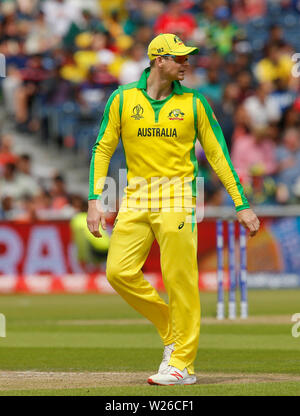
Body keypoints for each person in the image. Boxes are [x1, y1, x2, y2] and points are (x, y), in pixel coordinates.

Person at [87, 33, 260, 386]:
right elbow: (102, 149)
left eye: (187, 58)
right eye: (179, 58)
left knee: (179, 279)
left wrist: (240, 203)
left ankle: (182, 364)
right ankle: (171, 329)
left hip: (179, 197)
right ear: (158, 60)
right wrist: (95, 201)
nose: (186, 63)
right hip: (134, 195)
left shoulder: (196, 104)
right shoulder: (122, 99)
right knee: (118, 273)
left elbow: (217, 155)